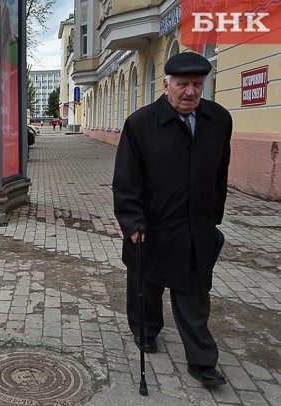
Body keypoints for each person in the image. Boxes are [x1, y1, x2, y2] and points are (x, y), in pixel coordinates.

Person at [112, 52, 232, 386]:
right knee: (147, 285)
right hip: (152, 225)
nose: (190, 92)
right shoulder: (141, 124)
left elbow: (220, 172)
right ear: (166, 85)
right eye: (182, 85)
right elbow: (126, 180)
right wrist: (133, 222)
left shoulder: (219, 120)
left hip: (196, 227)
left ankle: (202, 361)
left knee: (195, 294)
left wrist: (212, 216)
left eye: (197, 84)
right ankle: (147, 332)